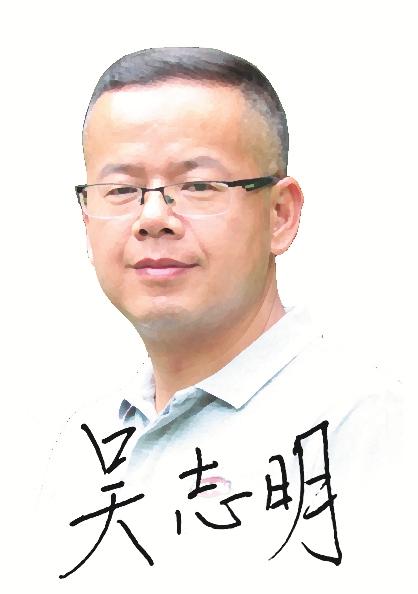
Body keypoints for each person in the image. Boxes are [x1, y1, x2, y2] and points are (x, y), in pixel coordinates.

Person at [38, 47, 404, 592]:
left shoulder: (368, 428)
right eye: (121, 190)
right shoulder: (84, 443)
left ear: (280, 214)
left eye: (198, 186)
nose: (153, 218)